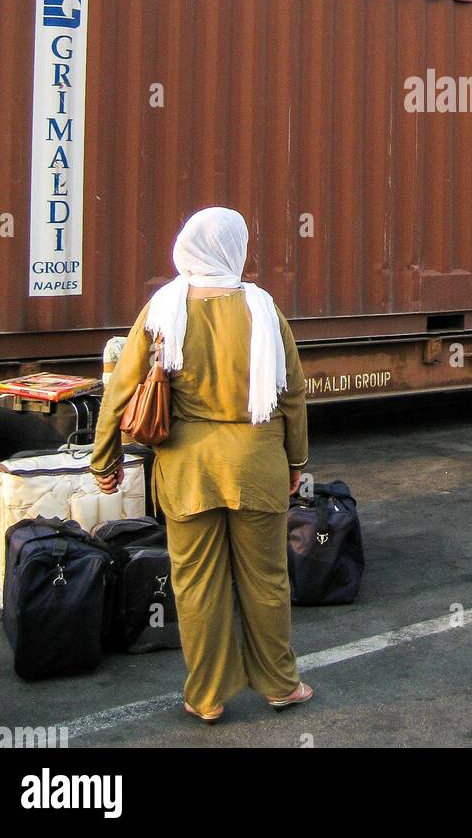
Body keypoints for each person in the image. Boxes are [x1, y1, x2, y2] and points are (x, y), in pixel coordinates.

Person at [90, 207, 312, 722]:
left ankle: (207, 696)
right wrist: (296, 460)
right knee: (266, 580)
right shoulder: (263, 308)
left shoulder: (162, 309)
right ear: (235, 248)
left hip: (187, 471)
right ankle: (281, 684)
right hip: (257, 465)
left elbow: (119, 391)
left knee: (197, 583)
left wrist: (105, 460)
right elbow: (293, 394)